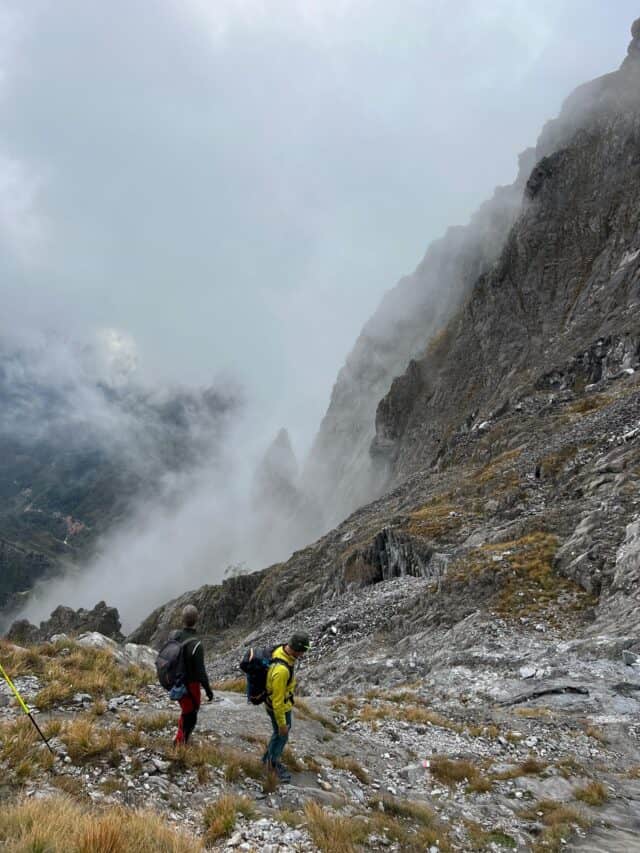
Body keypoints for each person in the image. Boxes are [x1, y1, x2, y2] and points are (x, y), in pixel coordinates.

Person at [263, 631, 310, 782]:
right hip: (279, 708)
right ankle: (273, 766)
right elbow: (277, 703)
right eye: (302, 651)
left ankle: (266, 759)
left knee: (277, 734)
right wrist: (282, 724)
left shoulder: (281, 650)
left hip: (277, 703)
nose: (303, 654)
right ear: (296, 649)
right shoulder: (281, 671)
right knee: (281, 735)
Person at [171, 604, 213, 745]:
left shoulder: (175, 636)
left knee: (186, 710)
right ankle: (180, 743)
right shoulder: (196, 645)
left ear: (182, 619)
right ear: (197, 619)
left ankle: (180, 738)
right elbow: (201, 673)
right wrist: (208, 690)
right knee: (191, 714)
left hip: (175, 681)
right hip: (191, 685)